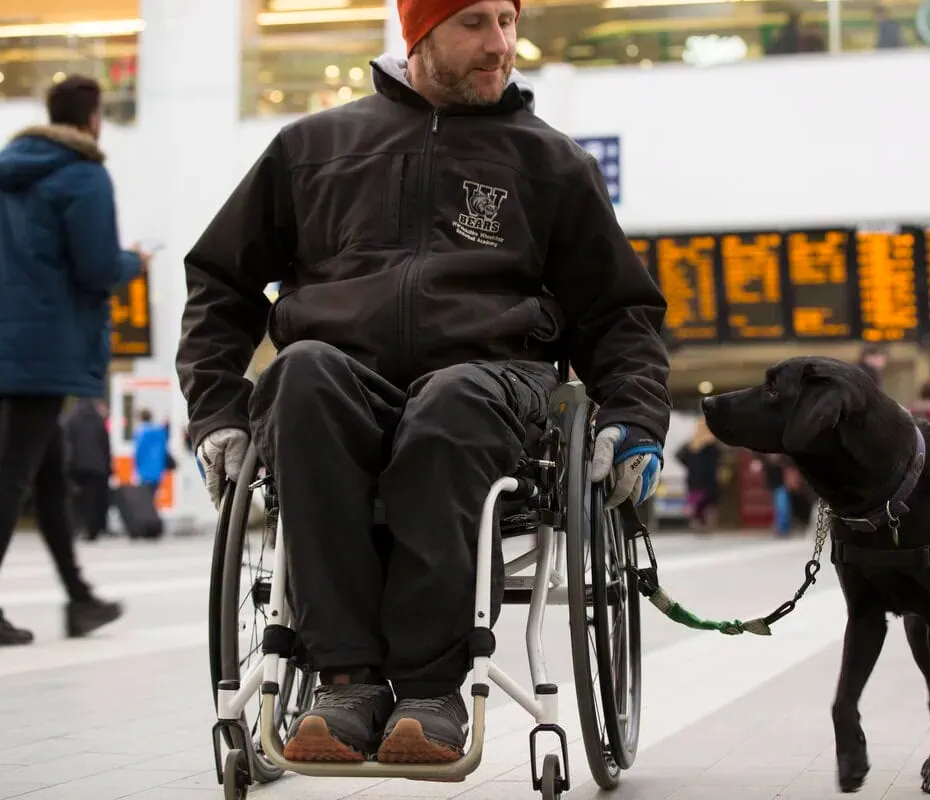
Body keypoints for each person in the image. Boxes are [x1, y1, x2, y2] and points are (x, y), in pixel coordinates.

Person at [176, 0, 671, 768]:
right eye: (474, 23)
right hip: (344, 380)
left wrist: (635, 418)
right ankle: (344, 682)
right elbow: (219, 281)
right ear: (419, 33)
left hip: (494, 383)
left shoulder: (550, 163)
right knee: (300, 375)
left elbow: (617, 311)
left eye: (508, 21)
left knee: (454, 402)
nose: (500, 45)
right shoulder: (312, 148)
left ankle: (431, 690)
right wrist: (216, 414)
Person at [0, 75, 145, 646]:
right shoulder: (83, 175)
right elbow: (96, 268)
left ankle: (80, 599)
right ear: (92, 119)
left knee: (50, 473)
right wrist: (131, 263)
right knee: (13, 473)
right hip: (47, 342)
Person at [63, 398, 113, 541]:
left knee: (74, 499)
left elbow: (67, 441)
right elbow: (105, 444)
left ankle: (74, 528)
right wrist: (107, 465)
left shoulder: (71, 418)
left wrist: (67, 463)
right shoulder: (98, 419)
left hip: (76, 465)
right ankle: (92, 530)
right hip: (97, 466)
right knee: (92, 500)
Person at [676, 417, 722, 533]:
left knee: (696, 503)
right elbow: (716, 461)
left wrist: (690, 465)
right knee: (710, 504)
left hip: (693, 479)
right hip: (709, 479)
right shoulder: (712, 443)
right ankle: (709, 527)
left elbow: (679, 456)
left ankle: (696, 526)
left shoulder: (692, 444)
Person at [132, 409, 170, 503]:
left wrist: (135, 467)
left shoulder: (140, 433)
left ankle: (145, 515)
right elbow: (164, 449)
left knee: (144, 498)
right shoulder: (160, 432)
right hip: (157, 469)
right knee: (153, 496)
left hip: (144, 470)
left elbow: (138, 452)